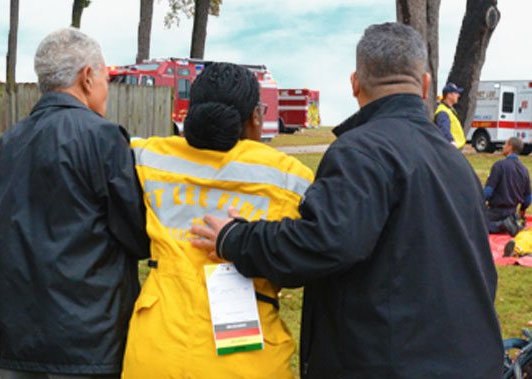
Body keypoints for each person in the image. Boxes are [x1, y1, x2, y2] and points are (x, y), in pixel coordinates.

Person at [189, 23, 503, 378]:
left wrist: (236, 239)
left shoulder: (361, 152)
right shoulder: (457, 164)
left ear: (355, 83)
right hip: (472, 361)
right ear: (426, 84)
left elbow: (322, 243)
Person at [122, 63, 313, 379]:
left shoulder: (148, 157)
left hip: (155, 352)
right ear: (255, 116)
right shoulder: (289, 177)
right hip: (245, 359)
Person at [0, 28, 150, 378]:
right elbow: (136, 234)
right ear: (87, 77)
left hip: (18, 337)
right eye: (106, 77)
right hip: (86, 341)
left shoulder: (8, 143)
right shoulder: (103, 138)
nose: (108, 89)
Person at [484, 137, 531, 236]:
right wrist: (522, 210)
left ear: (510, 147)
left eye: (505, 144)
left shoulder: (499, 166)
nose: (503, 147)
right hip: (512, 213)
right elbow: (528, 198)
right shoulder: (524, 170)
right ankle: (509, 225)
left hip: (495, 213)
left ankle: (500, 225)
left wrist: (479, 203)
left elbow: (488, 192)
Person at [433, 82, 466, 149]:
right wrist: (451, 141)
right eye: (456, 93)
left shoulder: (449, 110)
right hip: (451, 148)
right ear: (449, 95)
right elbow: (444, 129)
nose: (458, 95)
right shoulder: (443, 112)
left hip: (453, 148)